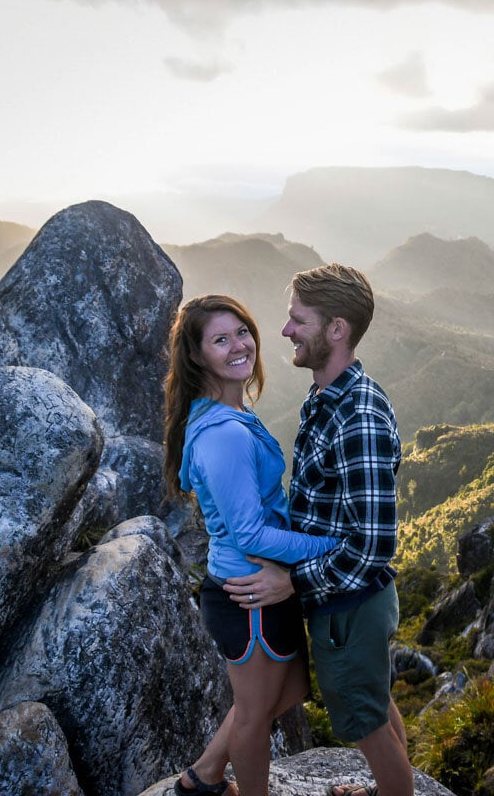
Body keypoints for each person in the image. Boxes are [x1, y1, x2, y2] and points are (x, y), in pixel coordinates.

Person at [223, 264, 412, 796]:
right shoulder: (327, 396)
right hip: (347, 604)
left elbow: (373, 546)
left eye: (297, 320)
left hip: (350, 607)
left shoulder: (359, 419)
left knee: (367, 724)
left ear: (336, 330)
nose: (284, 332)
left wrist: (293, 581)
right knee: (374, 701)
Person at [162, 294, 338, 796]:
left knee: (289, 689)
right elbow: (250, 534)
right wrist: (326, 545)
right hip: (251, 589)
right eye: (221, 339)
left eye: (242, 332)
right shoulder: (224, 436)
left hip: (251, 580)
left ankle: (204, 774)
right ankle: (217, 785)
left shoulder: (226, 415)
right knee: (256, 718)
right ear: (197, 356)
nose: (240, 345)